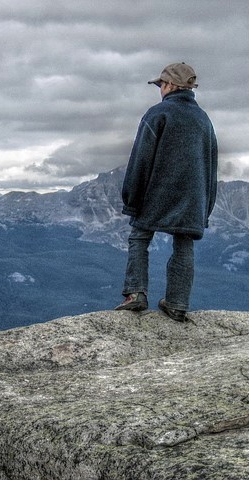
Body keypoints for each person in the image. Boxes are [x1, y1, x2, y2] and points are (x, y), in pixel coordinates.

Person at [115, 62, 218, 322]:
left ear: (170, 85)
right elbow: (211, 166)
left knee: (140, 235)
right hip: (193, 197)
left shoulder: (158, 114)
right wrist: (206, 207)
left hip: (156, 193)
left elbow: (141, 159)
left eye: (161, 84)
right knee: (184, 245)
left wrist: (132, 199)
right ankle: (177, 303)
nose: (160, 89)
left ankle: (136, 294)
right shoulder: (204, 120)